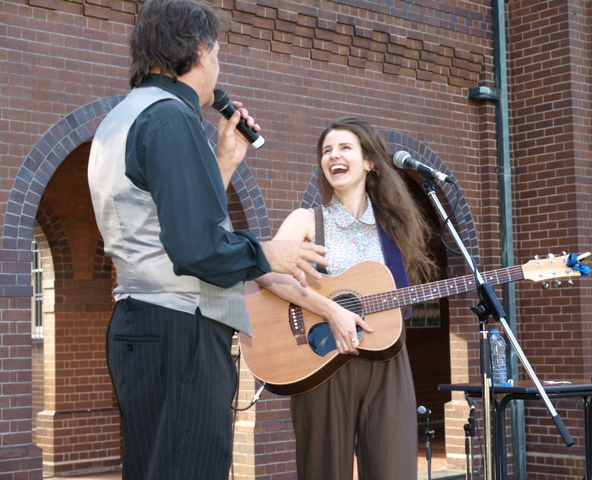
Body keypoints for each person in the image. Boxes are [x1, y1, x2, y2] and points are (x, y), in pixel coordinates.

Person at [87, 1, 328, 479]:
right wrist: (269, 252)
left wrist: (225, 160)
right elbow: (196, 249)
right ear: (199, 51)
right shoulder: (172, 119)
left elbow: (166, 219)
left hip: (144, 324)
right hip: (182, 333)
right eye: (218, 52)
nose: (219, 65)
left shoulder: (123, 117)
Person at [256, 116, 439, 480]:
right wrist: (330, 309)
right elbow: (264, 270)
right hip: (321, 358)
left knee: (395, 470)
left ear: (369, 161)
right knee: (324, 471)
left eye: (344, 148)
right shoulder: (308, 219)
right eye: (326, 150)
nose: (333, 156)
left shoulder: (396, 228)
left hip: (386, 358)